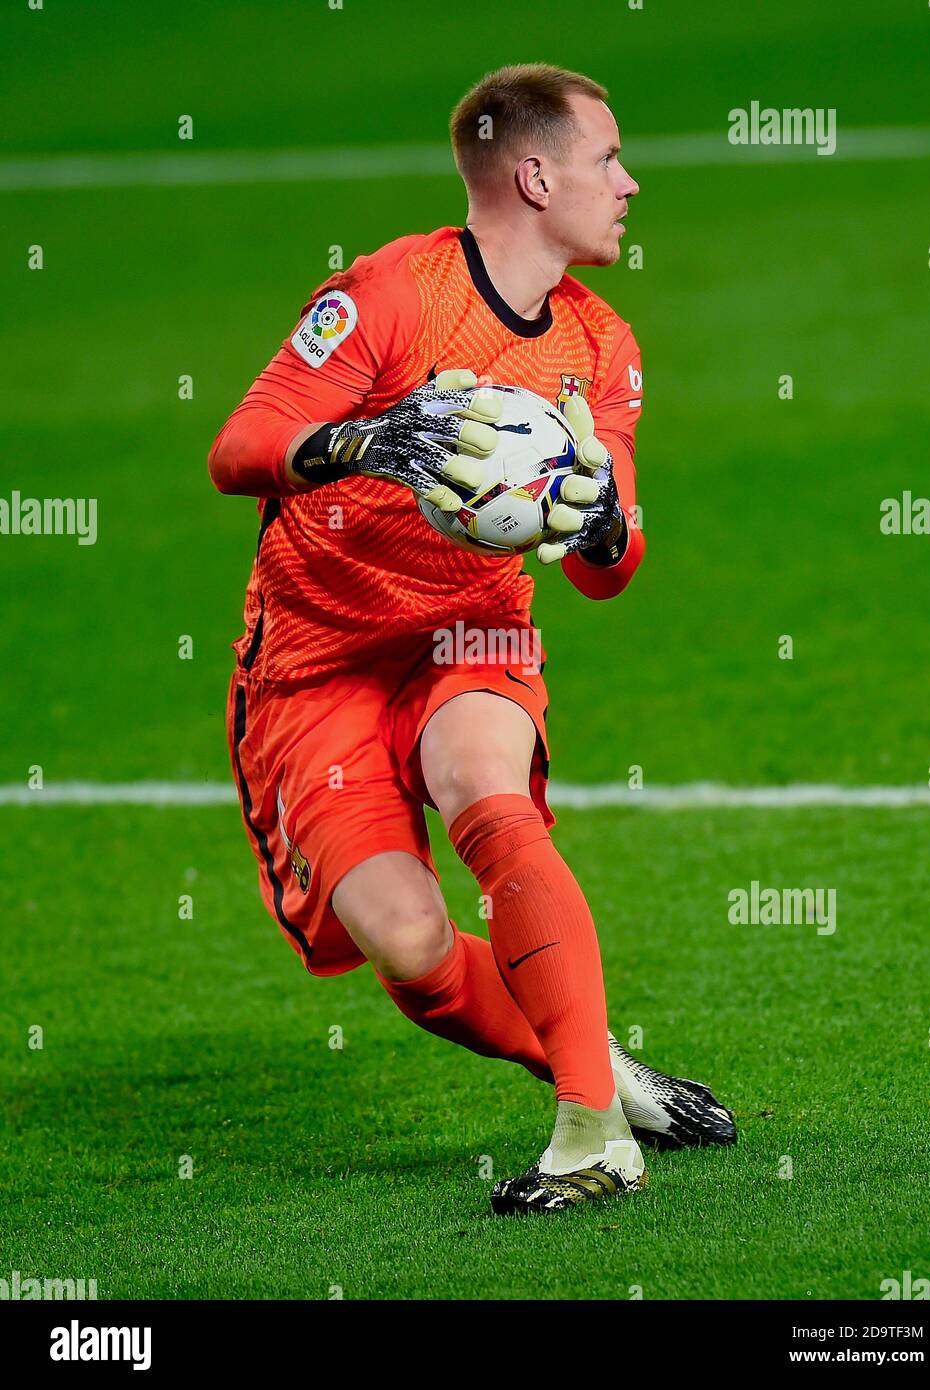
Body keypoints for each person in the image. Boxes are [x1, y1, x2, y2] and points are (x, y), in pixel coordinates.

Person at [208, 63, 734, 1215]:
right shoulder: (390, 295)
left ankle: (588, 1133)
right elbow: (239, 447)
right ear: (535, 174)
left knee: (486, 794)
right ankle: (590, 1059)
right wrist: (363, 441)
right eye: (608, 160)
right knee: (407, 947)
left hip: (469, 631)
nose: (628, 184)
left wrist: (601, 523)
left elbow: (612, 568)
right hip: (315, 663)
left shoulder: (601, 346)